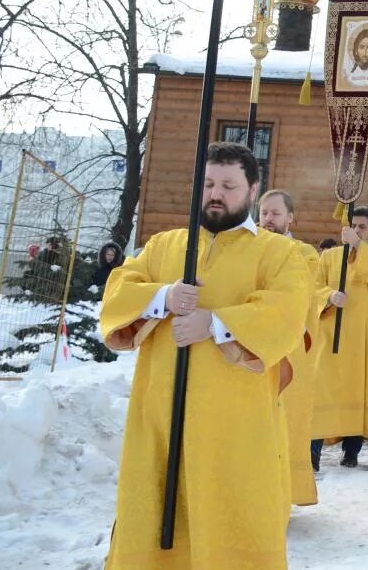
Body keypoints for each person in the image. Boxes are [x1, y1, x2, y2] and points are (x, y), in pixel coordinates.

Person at [99, 141, 308, 568]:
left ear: (252, 191)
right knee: (158, 512)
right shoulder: (164, 247)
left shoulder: (277, 253)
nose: (216, 193)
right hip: (161, 415)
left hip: (235, 424)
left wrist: (214, 323)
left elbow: (287, 311)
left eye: (229, 185)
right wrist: (163, 297)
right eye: (209, 183)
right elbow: (118, 292)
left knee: (234, 510)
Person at [309, 204, 368, 469]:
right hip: (330, 336)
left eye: (362, 227)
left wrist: (358, 248)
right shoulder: (329, 257)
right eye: (353, 225)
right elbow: (313, 286)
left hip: (362, 341)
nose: (356, 230)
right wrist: (328, 295)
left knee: (357, 393)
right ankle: (312, 451)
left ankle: (351, 450)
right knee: (321, 392)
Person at [258, 189, 326, 507]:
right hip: (254, 348)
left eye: (274, 213)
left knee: (286, 425)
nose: (268, 219)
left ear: (290, 218)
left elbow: (300, 286)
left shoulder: (305, 253)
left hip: (290, 352)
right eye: (263, 213)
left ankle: (283, 495)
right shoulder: (248, 249)